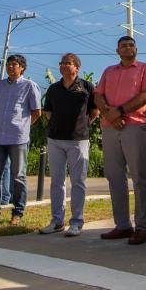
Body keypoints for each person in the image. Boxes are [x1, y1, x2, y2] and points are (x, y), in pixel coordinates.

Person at [94, 35, 146, 245]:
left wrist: (120, 111)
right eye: (123, 45)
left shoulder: (145, 68)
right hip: (110, 127)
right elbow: (98, 95)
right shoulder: (108, 71)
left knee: (140, 177)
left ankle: (142, 227)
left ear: (136, 49)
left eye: (131, 45)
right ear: (117, 51)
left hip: (136, 126)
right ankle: (122, 225)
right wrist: (110, 115)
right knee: (114, 177)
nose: (127, 48)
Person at [38, 53, 99, 237]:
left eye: (68, 63)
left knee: (78, 182)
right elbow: (48, 112)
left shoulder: (86, 87)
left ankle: (77, 222)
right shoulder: (54, 88)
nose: (64, 66)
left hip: (78, 140)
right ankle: (57, 221)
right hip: (55, 140)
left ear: (77, 67)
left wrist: (82, 126)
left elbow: (94, 111)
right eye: (62, 63)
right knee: (57, 182)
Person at [0, 54, 41, 224]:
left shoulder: (30, 86)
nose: (10, 67)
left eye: (14, 64)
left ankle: (17, 213)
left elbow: (36, 112)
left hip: (18, 138)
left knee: (18, 177)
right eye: (8, 64)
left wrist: (23, 126)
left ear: (22, 67)